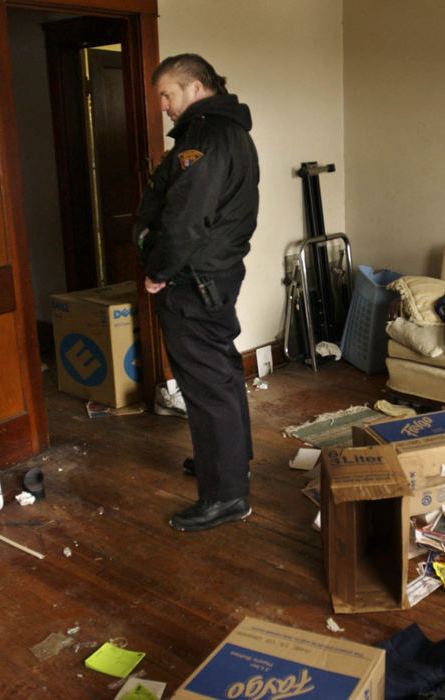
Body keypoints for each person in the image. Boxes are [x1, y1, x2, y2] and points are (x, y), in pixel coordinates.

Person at [133, 54, 259, 532]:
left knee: (206, 383)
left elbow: (185, 218)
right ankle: (230, 461)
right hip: (216, 273)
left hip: (192, 279)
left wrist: (158, 271)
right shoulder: (229, 133)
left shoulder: (204, 138)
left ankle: (225, 495)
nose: (163, 106)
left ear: (196, 87)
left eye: (168, 94)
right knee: (221, 369)